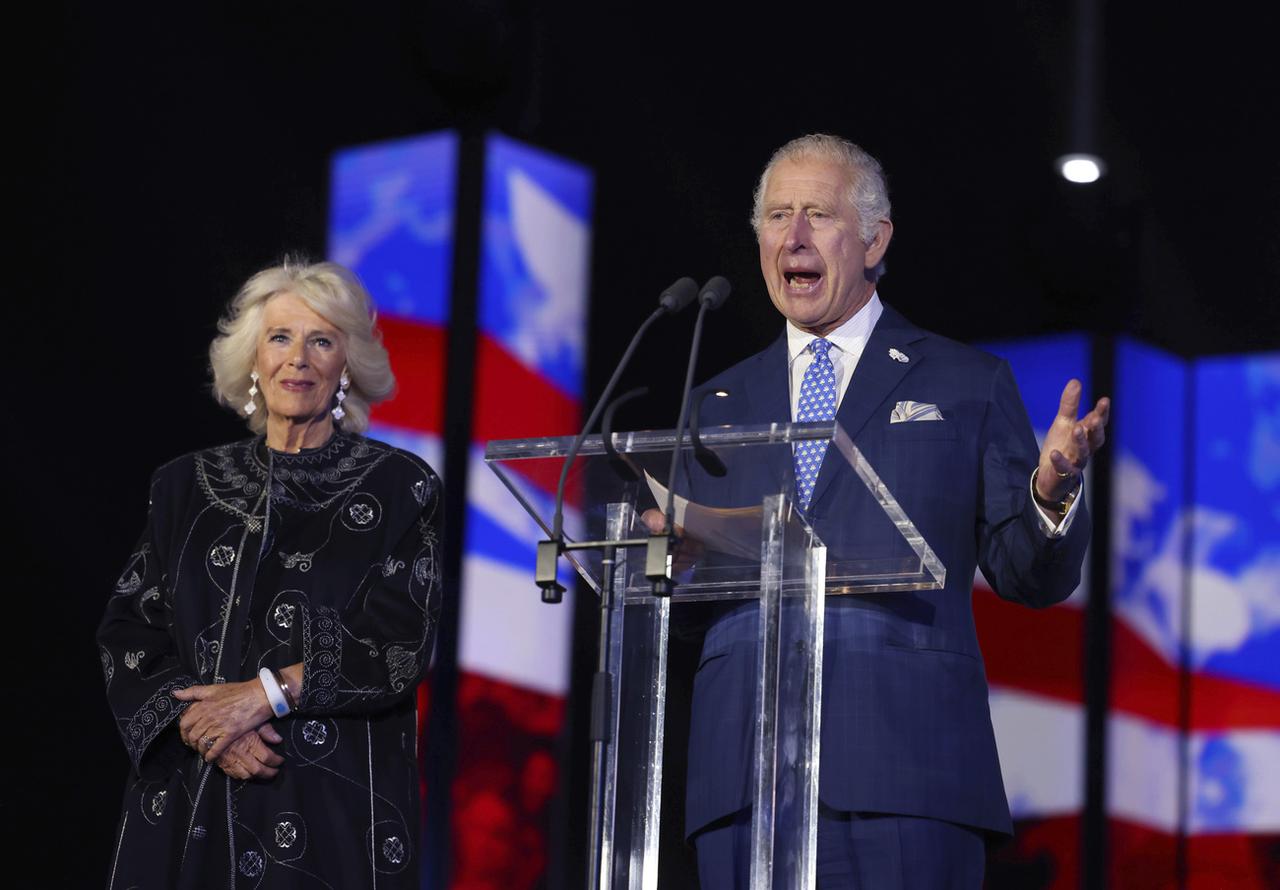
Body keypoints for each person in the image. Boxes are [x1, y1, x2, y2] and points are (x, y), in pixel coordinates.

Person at [678, 135, 1111, 888]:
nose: (795, 235)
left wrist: (1051, 492)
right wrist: (663, 556)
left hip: (907, 778)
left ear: (875, 239)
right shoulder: (714, 404)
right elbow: (684, 601)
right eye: (778, 216)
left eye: (818, 213)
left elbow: (1026, 574)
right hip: (741, 780)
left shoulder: (965, 382)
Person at [98, 259, 443, 888]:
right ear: (252, 360)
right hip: (190, 791)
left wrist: (264, 694)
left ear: (347, 365)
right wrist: (209, 732)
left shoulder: (401, 486)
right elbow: (130, 633)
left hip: (328, 800)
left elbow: (399, 643)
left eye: (322, 340)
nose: (299, 358)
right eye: (280, 338)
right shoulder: (182, 486)